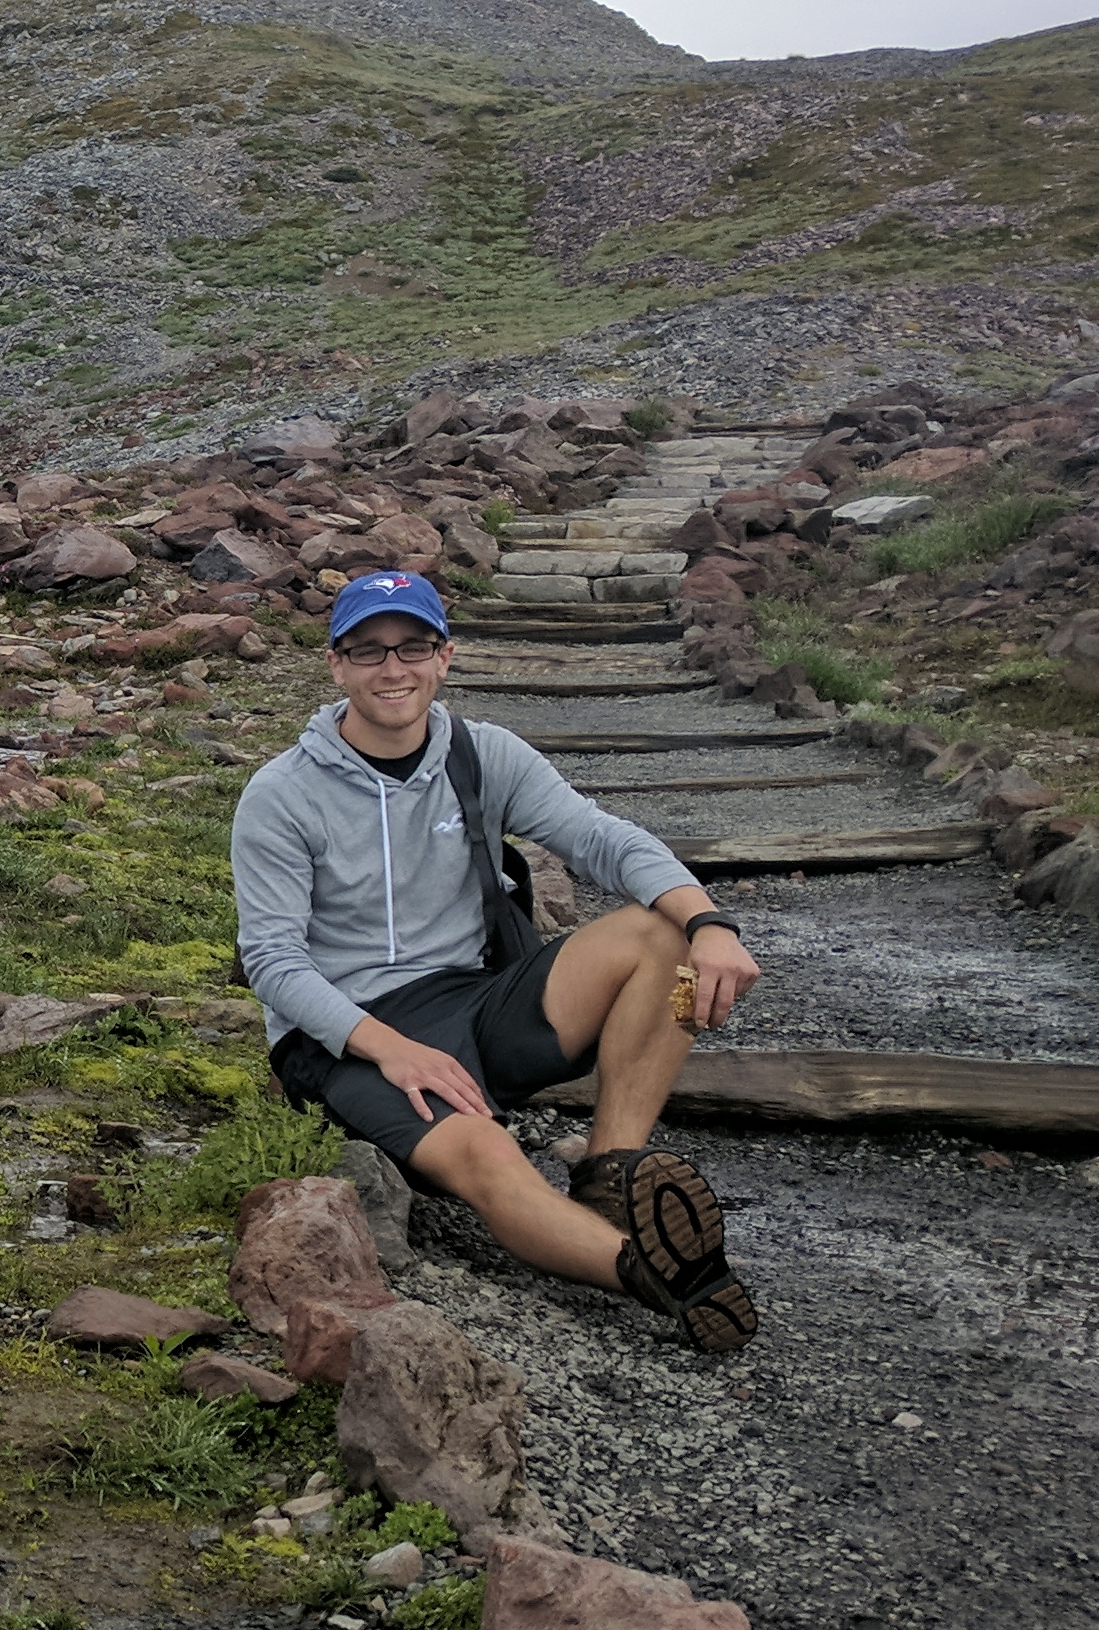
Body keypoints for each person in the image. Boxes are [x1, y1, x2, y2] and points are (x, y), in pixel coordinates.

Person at [230, 569, 761, 1349]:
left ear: (445, 657)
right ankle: (654, 1274)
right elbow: (272, 963)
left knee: (662, 935)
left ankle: (612, 1178)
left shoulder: (482, 756)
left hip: (476, 1000)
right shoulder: (282, 794)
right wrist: (393, 1050)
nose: (393, 668)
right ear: (336, 665)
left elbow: (600, 838)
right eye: (368, 650)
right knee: (486, 1150)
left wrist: (711, 922)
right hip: (345, 1036)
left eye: (413, 645)